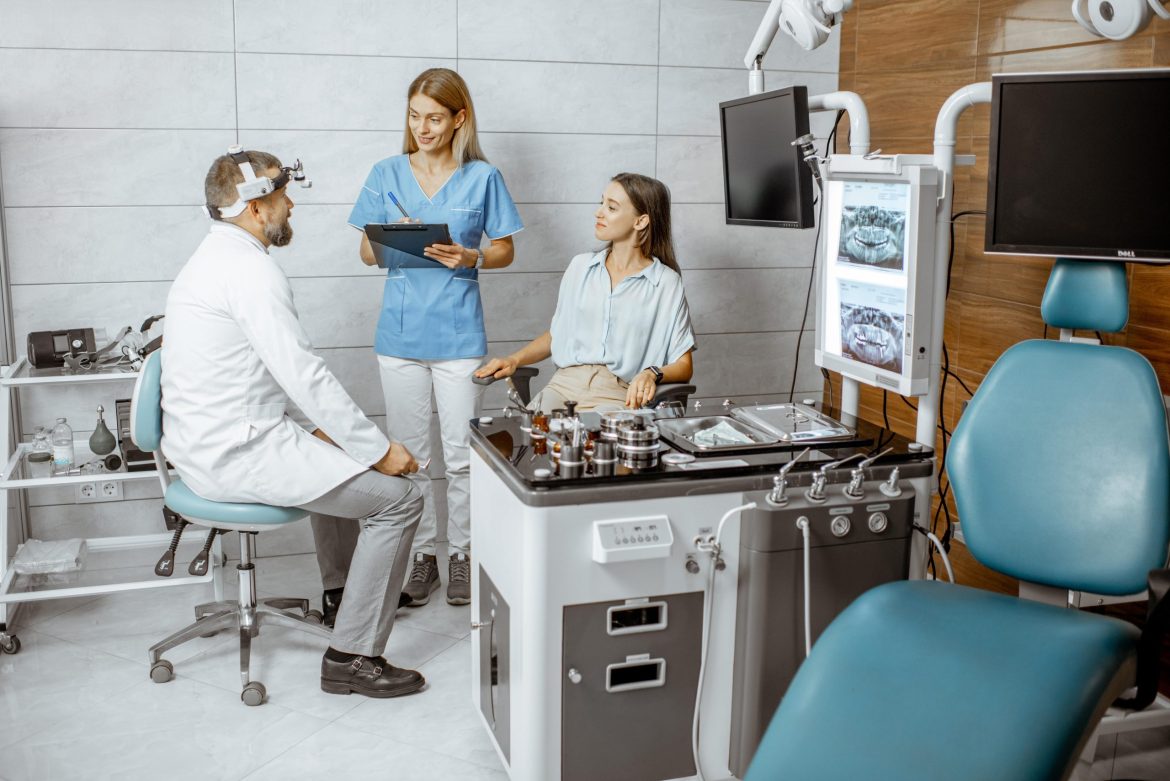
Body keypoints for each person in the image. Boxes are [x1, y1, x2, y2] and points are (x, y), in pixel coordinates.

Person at [162, 148, 426, 699]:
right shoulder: (250, 271)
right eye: (283, 197)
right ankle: (352, 656)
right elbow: (303, 373)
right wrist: (377, 450)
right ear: (257, 206)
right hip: (239, 451)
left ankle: (343, 596)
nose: (290, 208)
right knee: (399, 498)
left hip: (210, 442)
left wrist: (335, 436)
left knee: (338, 457)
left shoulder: (210, 260)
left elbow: (266, 371)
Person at [349, 68, 523, 608]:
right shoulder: (385, 174)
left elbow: (505, 251)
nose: (422, 128)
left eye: (434, 118)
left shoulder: (483, 178)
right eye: (414, 116)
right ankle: (423, 555)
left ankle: (464, 554)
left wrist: (471, 255)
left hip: (458, 333)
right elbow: (364, 253)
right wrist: (398, 239)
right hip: (399, 336)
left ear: (459, 120)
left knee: (464, 456)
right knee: (411, 457)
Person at [476, 173, 695, 411]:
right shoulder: (580, 267)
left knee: (589, 445)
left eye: (611, 207)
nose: (598, 212)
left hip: (617, 394)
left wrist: (652, 373)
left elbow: (684, 364)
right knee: (531, 439)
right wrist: (513, 359)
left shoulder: (665, 283)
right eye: (601, 203)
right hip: (562, 387)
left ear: (640, 221)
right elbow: (558, 333)